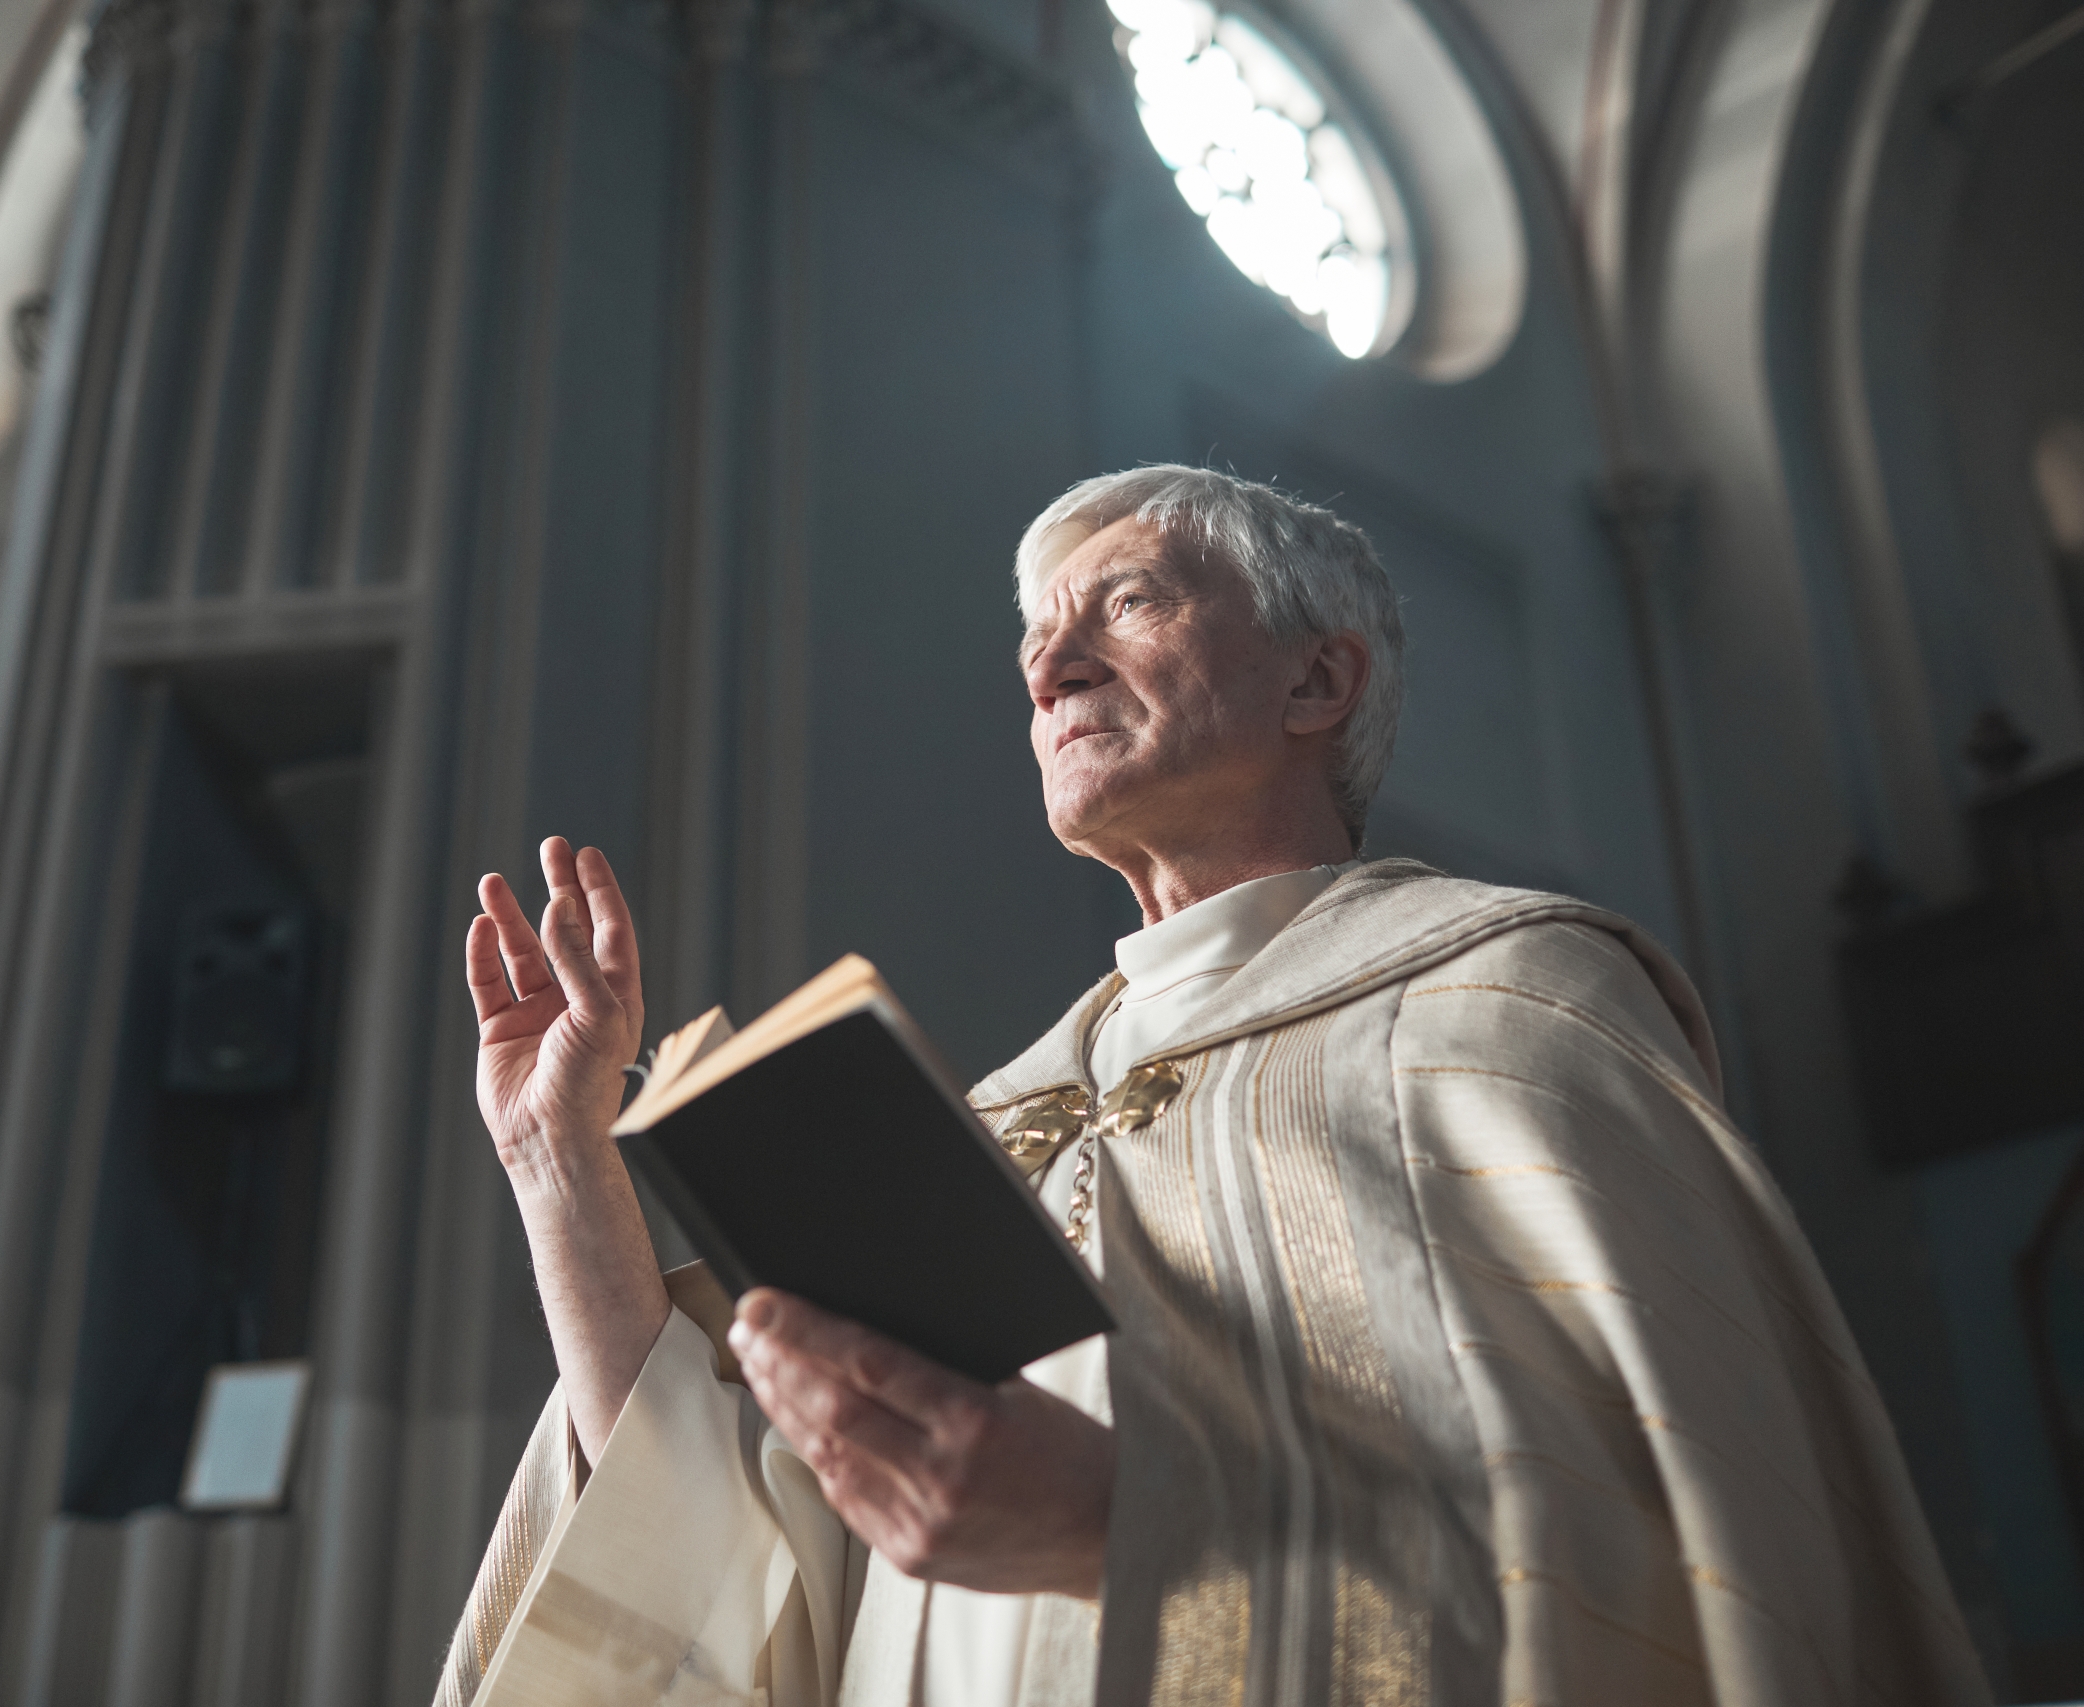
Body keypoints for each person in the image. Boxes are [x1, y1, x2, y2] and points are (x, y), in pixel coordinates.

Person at [434, 466, 1987, 1707]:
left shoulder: (1511, 1009)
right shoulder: (991, 1123)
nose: (1050, 666)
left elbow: (1678, 1560)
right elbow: (734, 1552)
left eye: (1125, 602)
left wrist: (1125, 1533)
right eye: (1035, 644)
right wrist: (560, 1163)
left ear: (1317, 680)